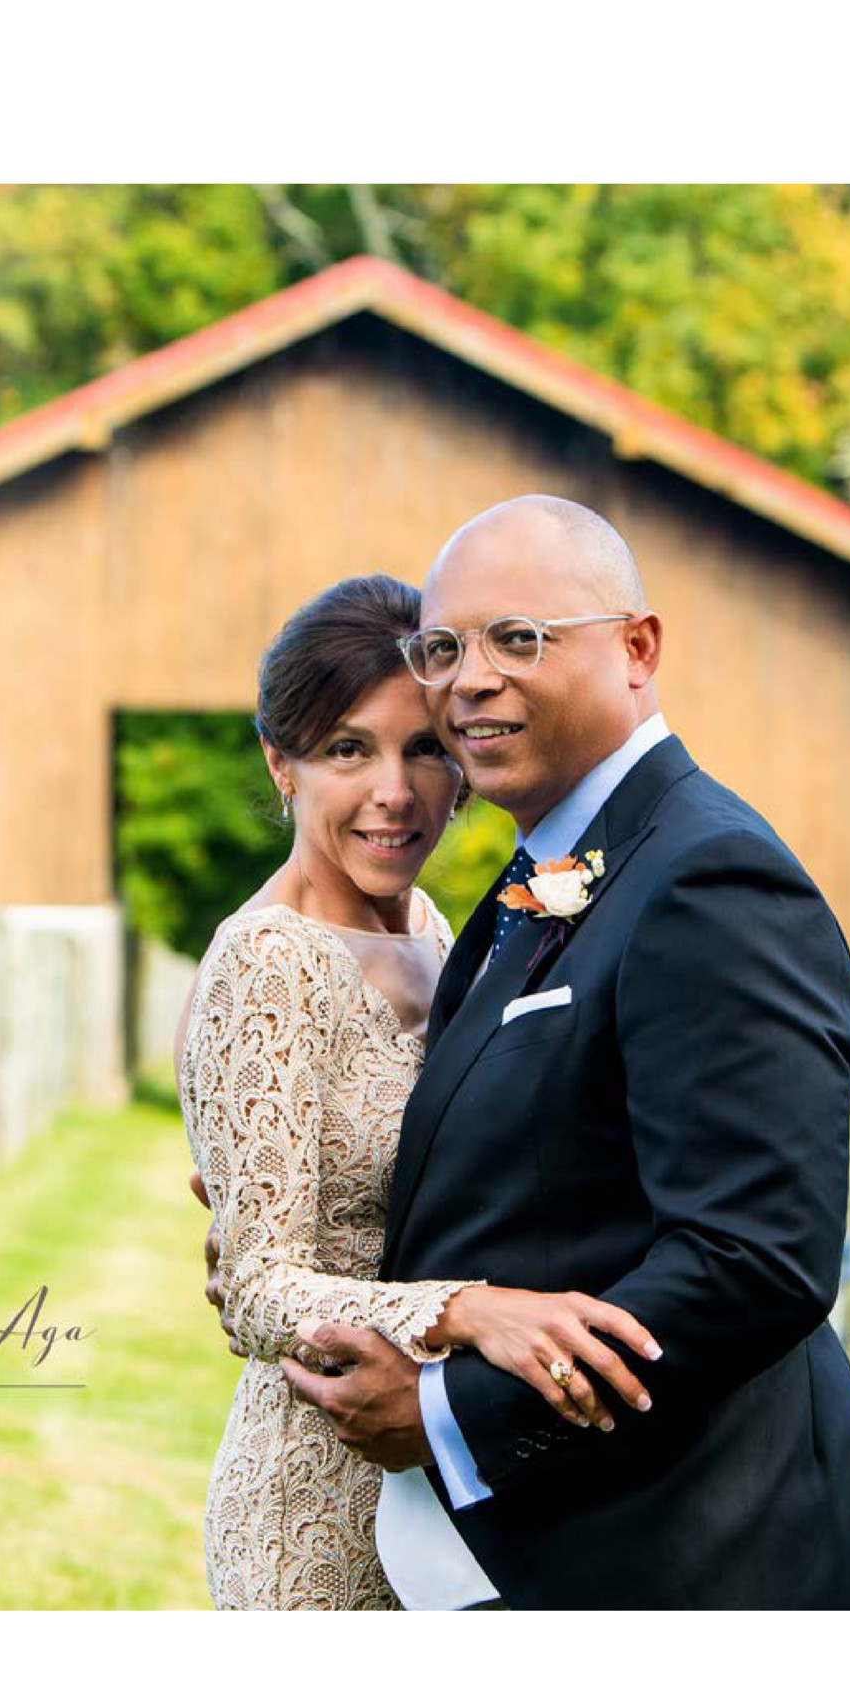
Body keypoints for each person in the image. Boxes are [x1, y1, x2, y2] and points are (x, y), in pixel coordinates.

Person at [216, 496, 850, 1610]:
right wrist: (308, 1244)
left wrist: (447, 1413)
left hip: (699, 1552)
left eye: (519, 638)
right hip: (550, 1549)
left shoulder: (709, 877)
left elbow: (754, 1255)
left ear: (638, 648)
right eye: (446, 648)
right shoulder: (538, 879)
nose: (471, 679)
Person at [177, 572, 659, 1610]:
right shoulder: (268, 961)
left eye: (426, 749)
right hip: (318, 1497)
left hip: (457, 1491)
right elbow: (258, 1290)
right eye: (348, 749)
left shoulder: (438, 929)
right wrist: (472, 1312)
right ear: (281, 763)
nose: (394, 792)